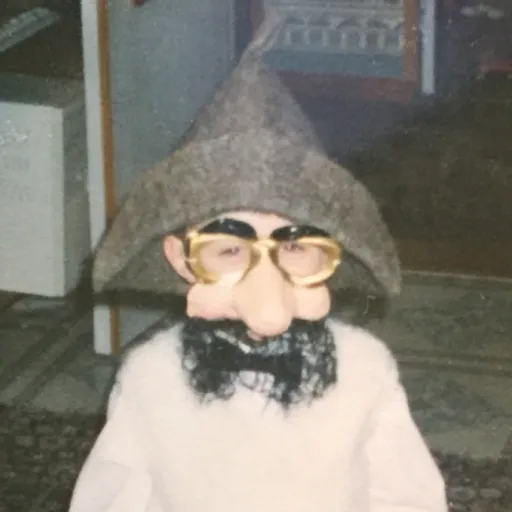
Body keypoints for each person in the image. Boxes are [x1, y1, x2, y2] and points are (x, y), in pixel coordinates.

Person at [69, 12, 447, 512]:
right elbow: (111, 499)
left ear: (328, 256)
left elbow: (408, 495)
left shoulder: (364, 368)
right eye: (230, 250)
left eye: (293, 247)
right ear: (182, 260)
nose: (264, 287)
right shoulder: (150, 377)